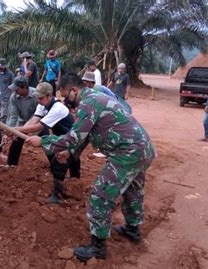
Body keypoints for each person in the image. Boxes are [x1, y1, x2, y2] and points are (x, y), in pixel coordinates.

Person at [26, 73, 156, 261]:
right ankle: (132, 229)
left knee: (100, 195)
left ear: (74, 90)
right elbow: (86, 135)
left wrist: (43, 141)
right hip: (143, 149)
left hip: (126, 153)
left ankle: (98, 248)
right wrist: (71, 153)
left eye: (64, 94)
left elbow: (74, 137)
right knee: (132, 190)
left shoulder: (88, 103)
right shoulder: (97, 99)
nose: (64, 99)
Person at [14, 82, 81, 204]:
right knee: (71, 161)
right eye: (37, 98)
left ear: (49, 96)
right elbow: (34, 119)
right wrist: (18, 130)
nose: (38, 100)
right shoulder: (43, 104)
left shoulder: (58, 108)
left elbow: (38, 126)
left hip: (71, 139)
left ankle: (58, 195)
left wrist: (16, 129)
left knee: (58, 163)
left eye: (41, 98)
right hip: (63, 138)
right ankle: (75, 182)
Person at [5, 76, 38, 166]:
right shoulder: (14, 97)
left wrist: (28, 126)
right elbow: (13, 116)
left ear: (24, 87)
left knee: (45, 140)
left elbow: (39, 113)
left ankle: (54, 164)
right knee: (16, 142)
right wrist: (10, 130)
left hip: (37, 121)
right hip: (22, 121)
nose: (15, 91)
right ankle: (11, 164)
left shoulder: (36, 94)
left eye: (17, 89)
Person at [0, 58, 14, 123]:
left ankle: (3, 126)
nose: (1, 68)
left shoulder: (10, 74)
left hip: (6, 97)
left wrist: (11, 97)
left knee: (4, 114)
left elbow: (12, 86)